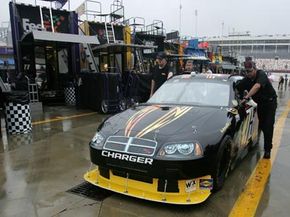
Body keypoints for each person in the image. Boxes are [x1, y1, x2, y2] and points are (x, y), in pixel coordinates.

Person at [236, 57, 277, 159]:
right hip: (260, 105)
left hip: (270, 103)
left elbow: (257, 86)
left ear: (255, 69)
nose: (248, 73)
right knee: (262, 125)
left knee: (268, 126)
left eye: (249, 71)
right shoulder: (247, 79)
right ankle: (259, 140)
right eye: (245, 71)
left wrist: (246, 97)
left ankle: (267, 150)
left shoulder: (261, 74)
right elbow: (238, 87)